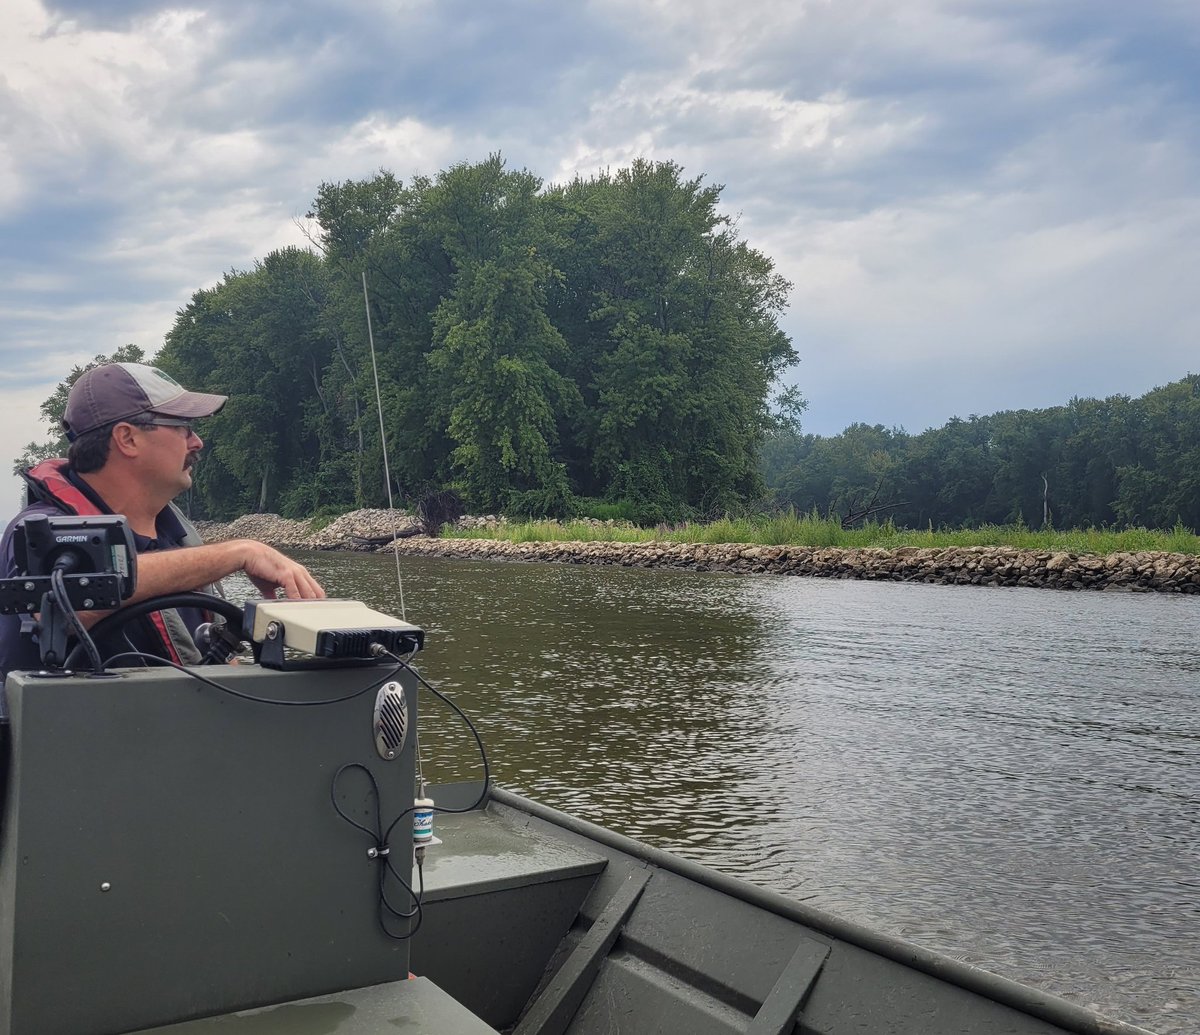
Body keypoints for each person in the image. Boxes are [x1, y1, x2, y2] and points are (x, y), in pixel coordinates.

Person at [0, 362, 324, 679]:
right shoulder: (37, 533)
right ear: (128, 438)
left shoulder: (175, 536)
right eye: (183, 427)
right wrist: (239, 553)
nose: (197, 442)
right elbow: (56, 605)